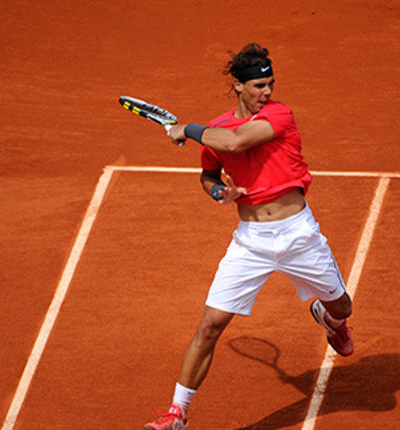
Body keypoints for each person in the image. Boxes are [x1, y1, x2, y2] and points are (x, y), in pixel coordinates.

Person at [143, 43, 354, 430]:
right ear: (238, 86)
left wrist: (185, 130)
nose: (267, 92)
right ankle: (177, 413)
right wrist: (219, 192)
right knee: (209, 326)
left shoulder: (278, 116)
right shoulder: (216, 128)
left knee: (343, 307)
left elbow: (234, 143)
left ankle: (329, 319)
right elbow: (209, 175)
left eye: (270, 84)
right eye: (258, 86)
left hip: (298, 236)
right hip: (250, 242)